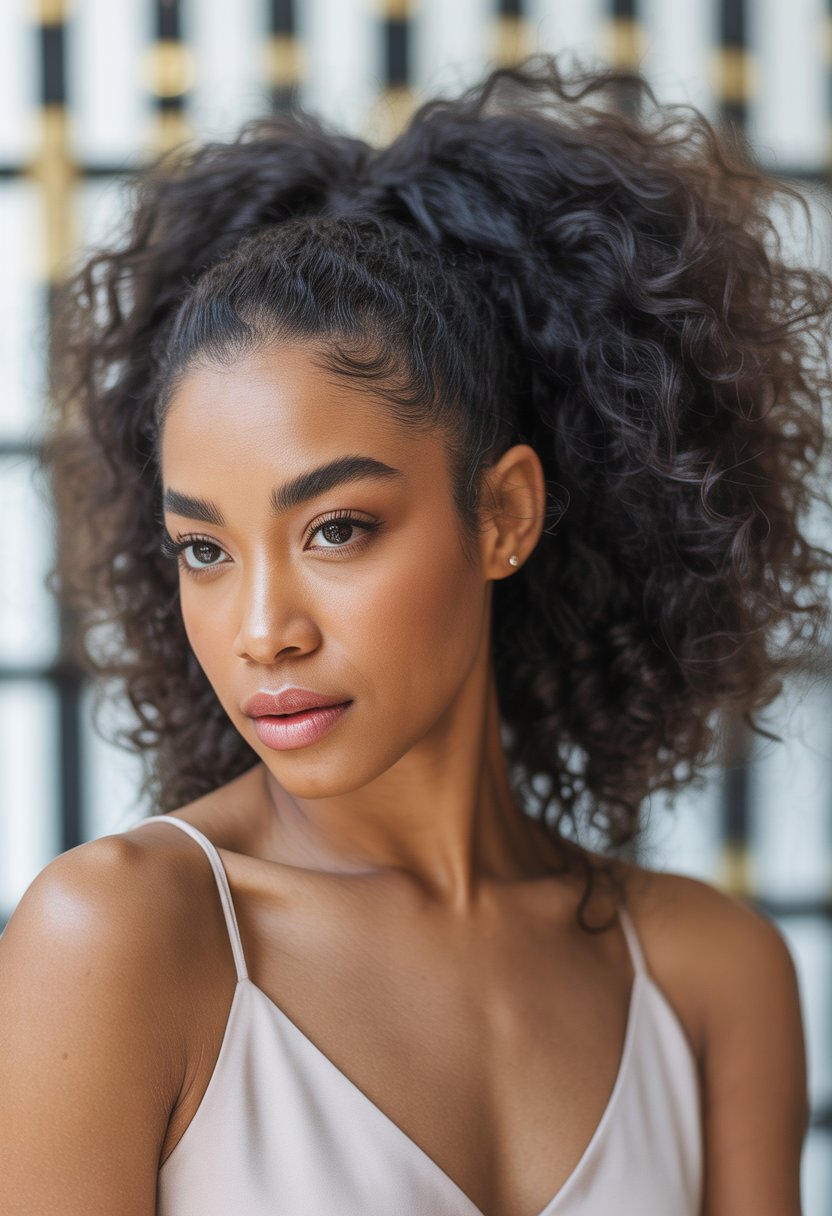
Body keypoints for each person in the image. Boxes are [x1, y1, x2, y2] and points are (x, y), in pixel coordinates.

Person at [1, 55, 828, 1216]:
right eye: (205, 549)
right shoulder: (125, 938)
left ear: (503, 514)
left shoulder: (706, 976)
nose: (261, 631)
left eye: (336, 528)